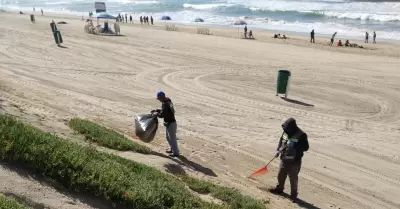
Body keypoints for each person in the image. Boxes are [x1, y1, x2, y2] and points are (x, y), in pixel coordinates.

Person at [269, 118, 309, 203]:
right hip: (284, 159)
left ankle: (293, 195)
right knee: (280, 176)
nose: (285, 130)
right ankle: (279, 189)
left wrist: (295, 145)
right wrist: (278, 150)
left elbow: (306, 147)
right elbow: (281, 141)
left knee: (293, 179)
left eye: (287, 128)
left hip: (294, 162)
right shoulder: (286, 131)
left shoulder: (301, 135)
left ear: (292, 127)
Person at [152, 91, 180, 157]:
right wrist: (157, 110)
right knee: (168, 137)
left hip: (171, 123)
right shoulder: (167, 101)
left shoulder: (166, 104)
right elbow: (164, 110)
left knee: (172, 138)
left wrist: (157, 114)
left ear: (162, 97)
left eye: (159, 98)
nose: (158, 100)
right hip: (170, 122)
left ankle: (176, 153)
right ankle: (172, 149)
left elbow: (162, 115)